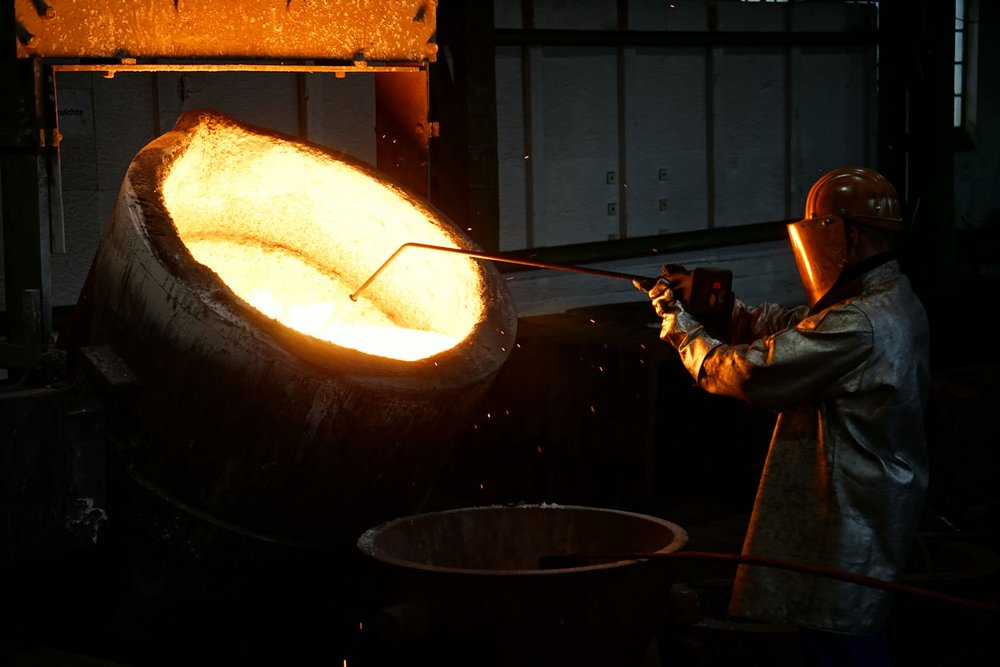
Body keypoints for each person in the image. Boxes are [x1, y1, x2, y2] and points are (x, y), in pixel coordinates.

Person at [644, 166, 930, 666]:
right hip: (863, 501)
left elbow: (755, 372)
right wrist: (726, 306)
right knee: (842, 628)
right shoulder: (887, 297)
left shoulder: (860, 322)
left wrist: (682, 328)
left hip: (849, 513)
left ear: (846, 235)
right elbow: (798, 328)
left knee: (842, 635)